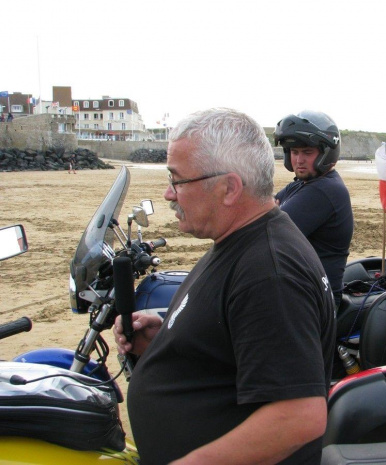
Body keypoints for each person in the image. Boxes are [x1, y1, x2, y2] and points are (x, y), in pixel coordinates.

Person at [114, 108, 336, 465]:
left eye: (177, 180)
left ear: (229, 188)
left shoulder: (270, 271)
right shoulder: (239, 240)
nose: (169, 194)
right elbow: (235, 350)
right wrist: (171, 340)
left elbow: (298, 417)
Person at [273, 110, 354, 309]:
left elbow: (267, 229)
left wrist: (269, 214)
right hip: (301, 288)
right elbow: (264, 208)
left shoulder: (325, 190)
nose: (299, 160)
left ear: (326, 153)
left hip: (317, 300)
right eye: (294, 152)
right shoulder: (301, 184)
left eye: (307, 152)